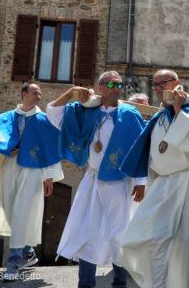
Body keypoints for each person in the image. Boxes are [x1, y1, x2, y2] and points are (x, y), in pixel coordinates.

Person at [118, 69, 189, 287]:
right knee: (151, 237)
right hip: (164, 183)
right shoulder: (160, 115)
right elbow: (155, 152)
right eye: (155, 85)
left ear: (176, 83)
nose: (158, 88)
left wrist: (180, 111)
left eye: (162, 83)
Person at [46, 71, 146, 288]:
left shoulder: (130, 115)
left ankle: (119, 283)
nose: (115, 87)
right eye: (110, 84)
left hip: (120, 183)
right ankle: (86, 284)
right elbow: (53, 113)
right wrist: (71, 93)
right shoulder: (86, 111)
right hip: (92, 180)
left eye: (119, 84)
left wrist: (140, 182)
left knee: (119, 234)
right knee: (86, 230)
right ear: (99, 87)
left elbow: (140, 148)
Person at [0, 82, 63, 282]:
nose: (39, 95)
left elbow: (50, 148)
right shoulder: (8, 117)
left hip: (33, 170)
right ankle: (28, 252)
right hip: (10, 167)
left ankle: (13, 263)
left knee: (21, 213)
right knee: (10, 211)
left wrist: (49, 177)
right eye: (35, 92)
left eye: (40, 93)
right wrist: (3, 151)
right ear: (24, 94)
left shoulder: (43, 120)